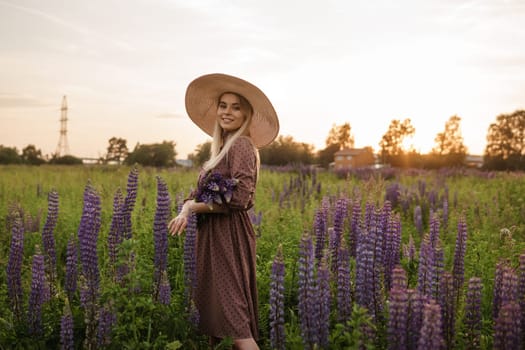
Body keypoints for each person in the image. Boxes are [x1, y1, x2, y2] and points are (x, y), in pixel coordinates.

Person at [168, 73, 279, 349]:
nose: (227, 112)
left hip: (228, 238)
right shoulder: (221, 148)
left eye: (236, 107)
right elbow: (199, 195)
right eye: (223, 105)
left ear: (246, 114)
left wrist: (192, 207)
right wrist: (186, 207)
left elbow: (241, 196)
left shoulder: (241, 144)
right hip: (213, 239)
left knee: (234, 323)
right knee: (217, 323)